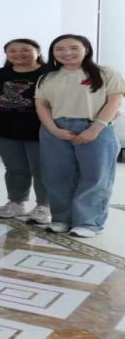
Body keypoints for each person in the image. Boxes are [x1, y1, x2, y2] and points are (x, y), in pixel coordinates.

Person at [35, 35, 123, 237]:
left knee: (95, 176)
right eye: (60, 49)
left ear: (87, 49)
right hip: (55, 129)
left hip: (95, 127)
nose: (67, 53)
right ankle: (61, 219)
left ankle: (89, 222)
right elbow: (42, 105)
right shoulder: (47, 77)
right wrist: (54, 130)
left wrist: (94, 129)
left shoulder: (106, 72)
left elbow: (114, 102)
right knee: (57, 176)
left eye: (74, 48)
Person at [0, 39, 50, 223]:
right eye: (12, 51)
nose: (18, 54)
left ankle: (44, 206)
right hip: (6, 130)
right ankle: (16, 203)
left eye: (25, 50)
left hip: (42, 130)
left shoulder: (49, 74)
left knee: (42, 169)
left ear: (38, 52)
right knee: (15, 168)